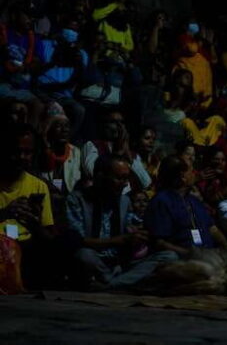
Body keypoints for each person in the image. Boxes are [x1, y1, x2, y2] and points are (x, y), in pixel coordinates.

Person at [65, 155, 177, 289]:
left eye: (126, 179)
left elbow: (132, 228)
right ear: (100, 177)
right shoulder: (77, 200)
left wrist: (138, 235)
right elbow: (77, 241)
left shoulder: (124, 201)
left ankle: (111, 284)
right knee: (83, 255)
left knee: (169, 256)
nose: (124, 183)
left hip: (120, 263)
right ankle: (122, 282)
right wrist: (116, 241)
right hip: (96, 261)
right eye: (119, 178)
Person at [0, 123, 56, 286]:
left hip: (25, 246)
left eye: (28, 153)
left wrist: (34, 224)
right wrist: (6, 213)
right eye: (17, 152)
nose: (22, 157)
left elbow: (49, 236)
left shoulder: (39, 186)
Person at [144, 155, 227, 257]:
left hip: (208, 256)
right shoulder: (162, 202)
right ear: (183, 176)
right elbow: (159, 243)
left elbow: (212, 229)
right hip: (182, 261)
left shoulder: (193, 200)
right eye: (191, 171)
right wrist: (189, 254)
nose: (195, 174)